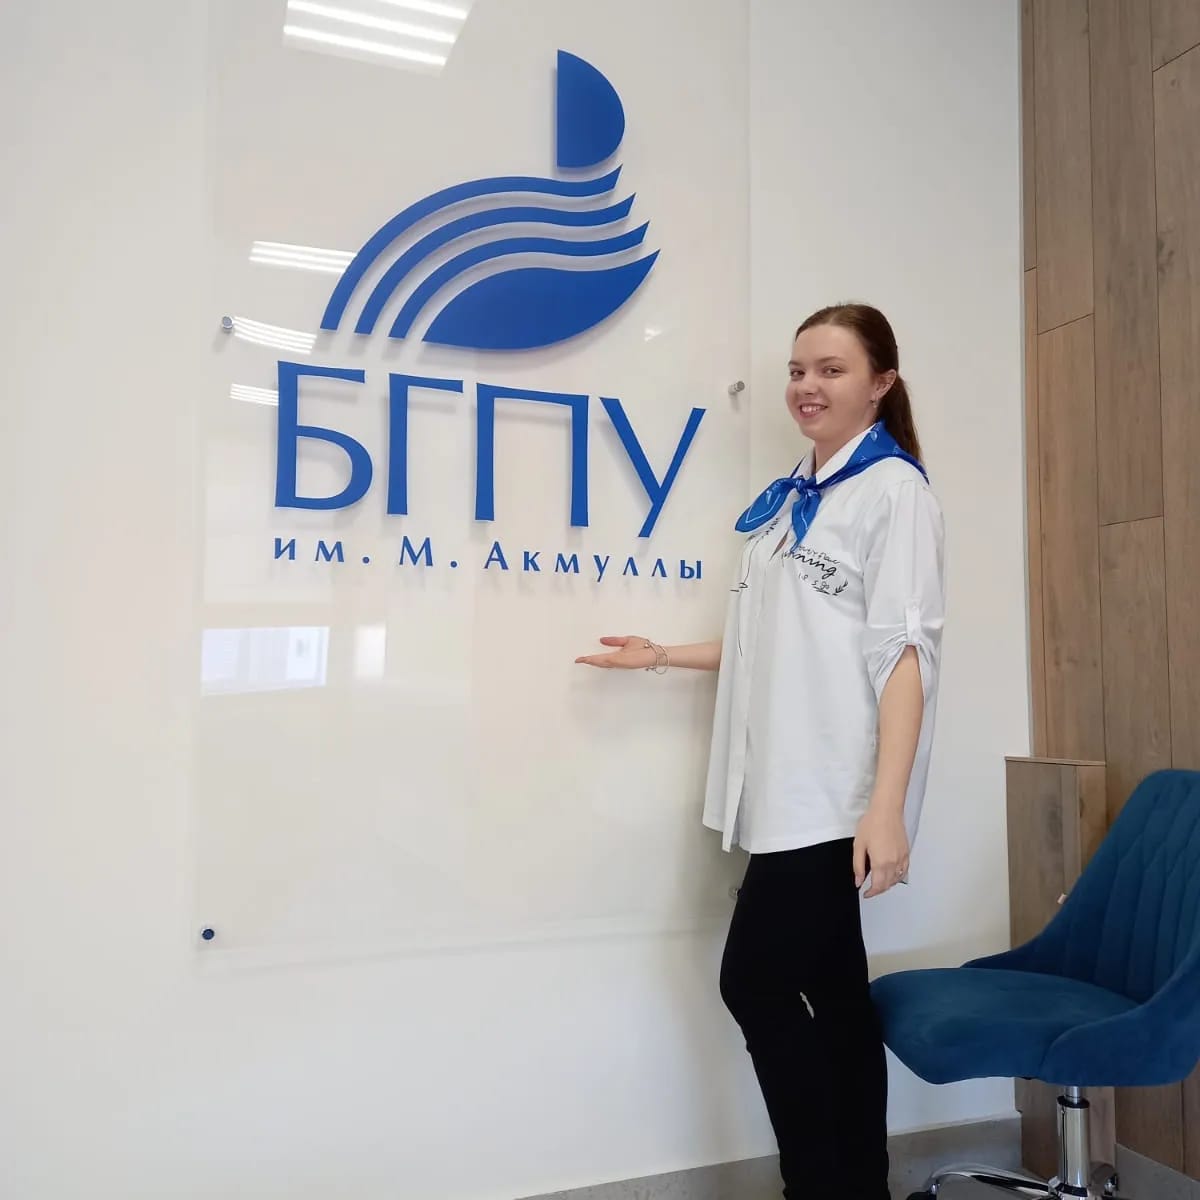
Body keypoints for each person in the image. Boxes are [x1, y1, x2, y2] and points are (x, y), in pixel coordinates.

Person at [575, 302, 946, 1199]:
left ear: (881, 384)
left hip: (833, 796)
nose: (806, 387)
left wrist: (887, 808)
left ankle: (817, 1187)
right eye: (797, 370)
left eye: (831, 370)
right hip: (781, 792)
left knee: (754, 983)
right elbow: (767, 643)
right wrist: (660, 655)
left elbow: (904, 656)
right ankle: (858, 1184)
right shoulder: (789, 502)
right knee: (838, 998)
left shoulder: (893, 493)